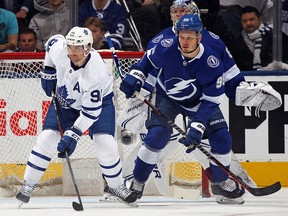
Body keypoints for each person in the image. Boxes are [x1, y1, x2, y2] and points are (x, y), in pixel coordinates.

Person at [120, 13, 246, 202]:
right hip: (166, 97)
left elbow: (211, 100)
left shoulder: (211, 62)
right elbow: (145, 63)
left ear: (199, 36)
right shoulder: (166, 47)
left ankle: (220, 182)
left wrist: (197, 127)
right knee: (157, 136)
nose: (185, 41)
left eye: (190, 37)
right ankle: (136, 183)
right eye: (182, 36)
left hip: (199, 102)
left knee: (222, 138)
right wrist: (135, 76)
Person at [15, 26, 138, 206]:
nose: (72, 51)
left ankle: (117, 186)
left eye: (78, 47)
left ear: (88, 48)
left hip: (99, 105)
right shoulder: (60, 50)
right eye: (70, 46)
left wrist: (73, 134)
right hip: (66, 101)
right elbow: (52, 41)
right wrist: (48, 70)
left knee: (105, 143)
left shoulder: (95, 73)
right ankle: (28, 184)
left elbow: (90, 113)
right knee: (47, 138)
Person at [227, 6, 288, 71]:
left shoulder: (276, 36)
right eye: (244, 21)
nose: (248, 23)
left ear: (260, 19)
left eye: (251, 19)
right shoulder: (237, 44)